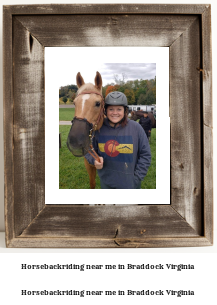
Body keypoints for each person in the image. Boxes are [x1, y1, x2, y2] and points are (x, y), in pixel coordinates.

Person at [85, 91, 151, 189]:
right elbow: (89, 150)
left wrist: (137, 178)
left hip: (131, 184)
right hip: (106, 183)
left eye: (119, 109)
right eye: (111, 109)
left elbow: (145, 155)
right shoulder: (98, 129)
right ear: (105, 111)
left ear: (125, 111)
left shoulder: (136, 128)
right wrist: (94, 160)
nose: (115, 113)